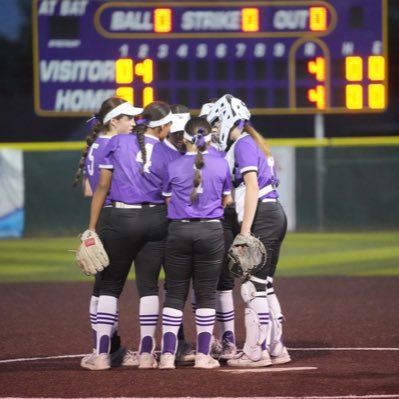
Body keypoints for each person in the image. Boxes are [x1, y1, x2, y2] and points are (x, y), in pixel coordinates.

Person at [82, 100, 173, 370]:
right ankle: (146, 354)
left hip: (119, 219)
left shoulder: (116, 143)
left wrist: (92, 227)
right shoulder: (168, 153)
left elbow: (101, 188)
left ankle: (101, 356)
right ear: (163, 126)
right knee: (148, 287)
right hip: (156, 219)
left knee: (110, 287)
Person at [207, 94, 291, 367]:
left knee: (251, 288)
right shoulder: (248, 142)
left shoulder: (242, 144)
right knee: (264, 287)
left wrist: (244, 232)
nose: (215, 128)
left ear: (229, 118)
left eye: (217, 122)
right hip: (272, 213)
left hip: (263, 217)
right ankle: (277, 348)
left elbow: (252, 187)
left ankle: (256, 351)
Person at [73, 96, 143, 369]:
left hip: (106, 219)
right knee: (107, 290)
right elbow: (102, 188)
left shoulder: (96, 145)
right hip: (116, 217)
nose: (134, 123)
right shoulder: (111, 145)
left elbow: (89, 189)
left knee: (103, 288)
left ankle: (109, 347)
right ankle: (105, 349)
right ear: (114, 121)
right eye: (129, 118)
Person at [158, 117, 233, 369]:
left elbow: (169, 202)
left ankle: (167, 355)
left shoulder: (173, 165)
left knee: (175, 294)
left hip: (178, 231)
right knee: (206, 295)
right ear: (209, 138)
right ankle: (203, 356)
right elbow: (227, 202)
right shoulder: (221, 164)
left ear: (185, 138)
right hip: (211, 231)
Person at [199, 100, 239, 361]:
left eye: (215, 123)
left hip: (222, 220)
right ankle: (214, 340)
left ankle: (227, 340)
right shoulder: (205, 151)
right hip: (212, 220)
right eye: (209, 123)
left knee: (221, 284)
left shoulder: (228, 150)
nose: (213, 128)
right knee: (209, 286)